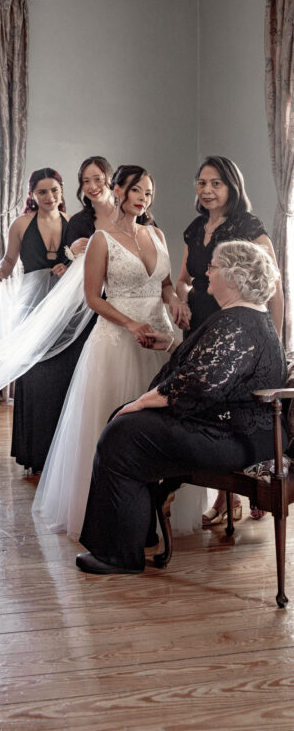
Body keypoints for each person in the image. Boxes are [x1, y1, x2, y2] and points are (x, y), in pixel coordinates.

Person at [76, 239, 287, 575]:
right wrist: (173, 343)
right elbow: (220, 368)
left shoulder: (237, 322)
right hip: (247, 432)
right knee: (130, 428)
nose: (207, 272)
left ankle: (119, 555)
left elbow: (202, 383)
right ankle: (135, 536)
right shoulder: (249, 316)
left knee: (123, 433)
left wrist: (142, 402)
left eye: (214, 267)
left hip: (234, 439)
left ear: (234, 277)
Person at [33, 164, 192, 539]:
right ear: (117, 190)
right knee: (115, 424)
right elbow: (92, 298)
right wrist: (131, 324)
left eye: (149, 193)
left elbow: (166, 285)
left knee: (164, 427)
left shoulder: (157, 234)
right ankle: (114, 515)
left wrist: (175, 306)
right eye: (137, 190)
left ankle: (159, 511)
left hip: (160, 339)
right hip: (118, 340)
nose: (143, 198)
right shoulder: (102, 239)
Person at [175, 155, 283, 523]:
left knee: (232, 408)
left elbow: (274, 286)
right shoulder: (195, 228)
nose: (207, 190)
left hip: (239, 327)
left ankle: (232, 496)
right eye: (202, 183)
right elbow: (184, 278)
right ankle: (226, 497)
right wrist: (178, 301)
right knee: (206, 407)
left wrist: (277, 339)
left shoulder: (248, 224)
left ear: (231, 186)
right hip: (201, 323)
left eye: (216, 183)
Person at [0, 167, 90, 473]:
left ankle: (63, 455)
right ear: (32, 194)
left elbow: (86, 262)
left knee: (64, 375)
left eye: (54, 190)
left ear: (62, 192)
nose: (49, 197)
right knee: (35, 376)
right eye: (42, 191)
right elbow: (8, 262)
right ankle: (35, 453)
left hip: (68, 311)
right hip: (32, 308)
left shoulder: (75, 224)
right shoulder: (21, 224)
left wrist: (69, 266)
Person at [65, 156, 115, 254]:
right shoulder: (76, 222)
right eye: (86, 181)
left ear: (111, 179)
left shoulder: (132, 214)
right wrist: (72, 253)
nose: (92, 186)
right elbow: (67, 263)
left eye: (98, 179)